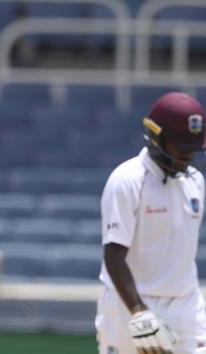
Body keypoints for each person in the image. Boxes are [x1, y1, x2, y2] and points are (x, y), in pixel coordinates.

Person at [96, 92, 206, 354]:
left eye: (192, 150)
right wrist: (139, 312)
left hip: (186, 306)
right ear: (156, 137)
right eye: (180, 148)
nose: (187, 158)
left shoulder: (195, 182)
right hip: (130, 306)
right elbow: (113, 255)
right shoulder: (127, 180)